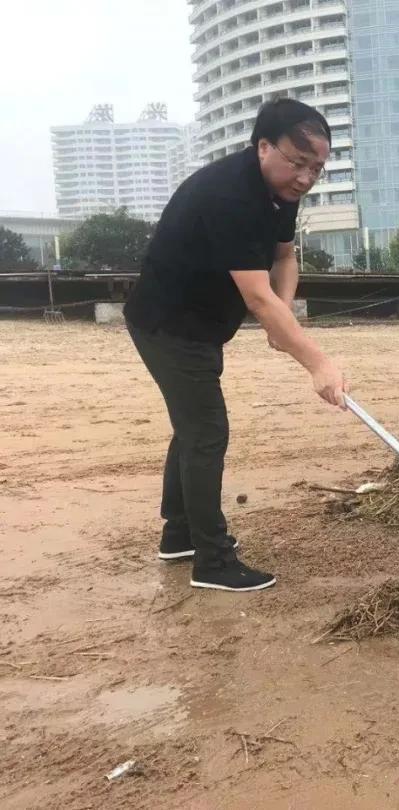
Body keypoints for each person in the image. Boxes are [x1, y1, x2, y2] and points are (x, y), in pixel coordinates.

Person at [124, 99, 347, 592]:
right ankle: (213, 560)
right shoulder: (231, 195)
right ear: (263, 146)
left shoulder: (281, 192)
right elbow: (256, 297)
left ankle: (180, 533)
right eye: (297, 161)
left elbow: (284, 259)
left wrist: (283, 314)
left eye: (316, 168)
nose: (306, 178)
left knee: (192, 428)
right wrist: (317, 362)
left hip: (201, 324)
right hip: (168, 323)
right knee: (206, 432)